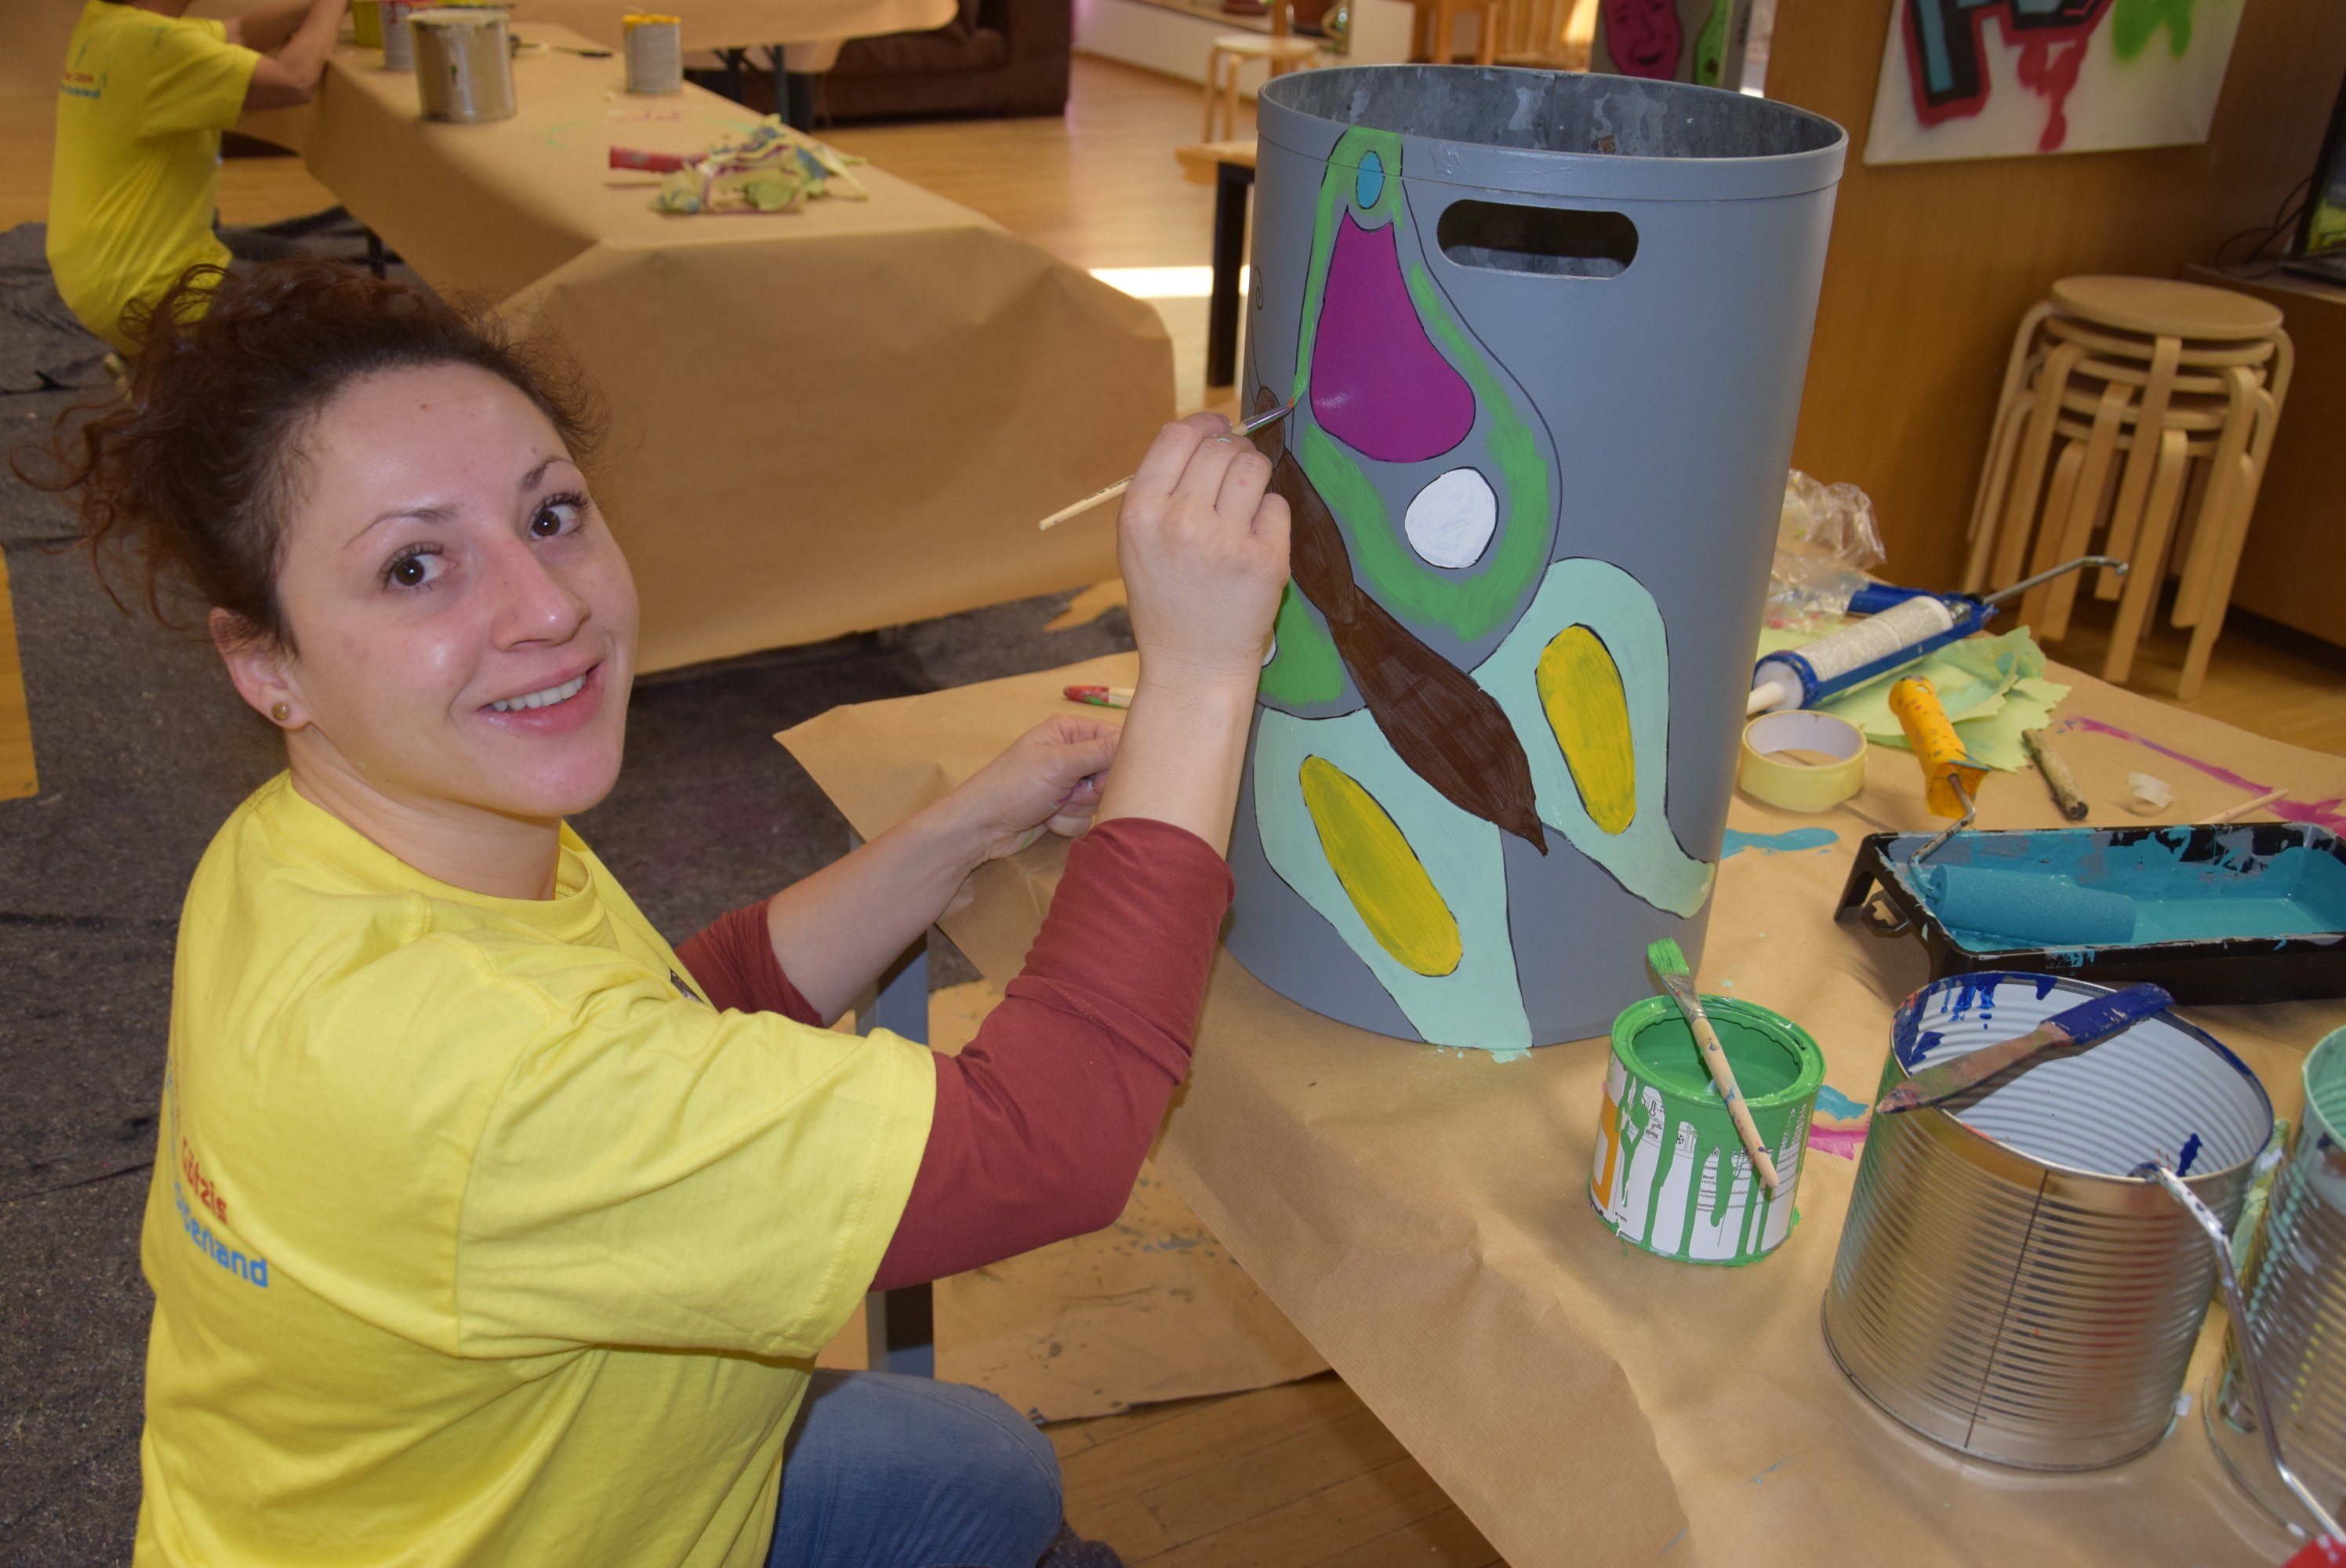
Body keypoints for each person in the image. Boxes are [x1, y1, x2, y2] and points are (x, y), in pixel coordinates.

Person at [41, 259, 1291, 1567]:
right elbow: (1050, 1144)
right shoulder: (463, 1067)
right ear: (264, 664)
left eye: (551, 515)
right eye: (415, 567)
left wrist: (965, 824)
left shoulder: (318, 844)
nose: (549, 606)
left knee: (984, 1468)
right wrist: (1200, 674)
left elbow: (670, 1016)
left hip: (417, 1496)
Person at [48, 0, 346, 354]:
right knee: (325, 305)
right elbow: (294, 81)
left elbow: (241, 33)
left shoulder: (113, 24)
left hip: (100, 272)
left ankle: (155, 361)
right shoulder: (157, 44)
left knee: (304, 263)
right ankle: (174, 365)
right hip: (144, 290)